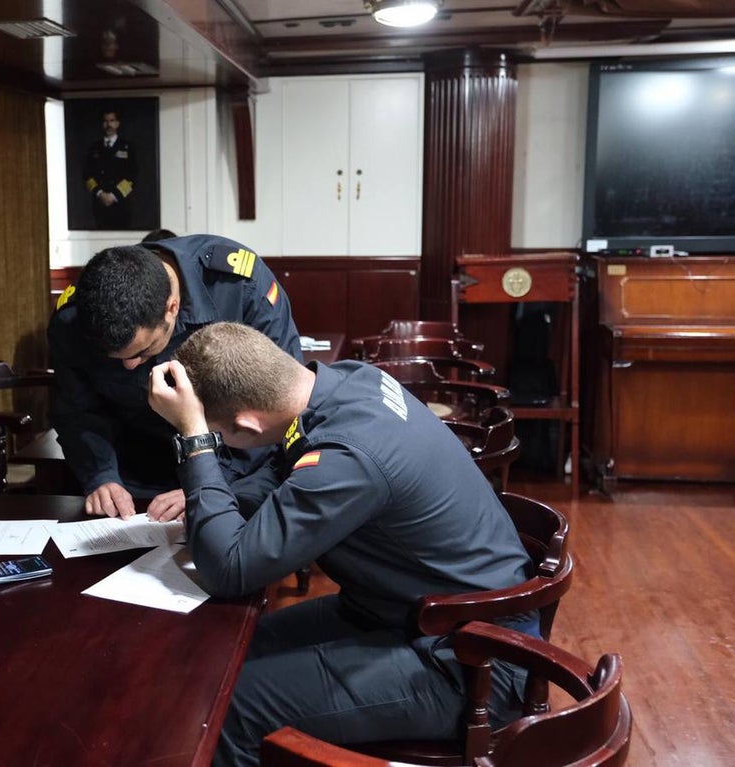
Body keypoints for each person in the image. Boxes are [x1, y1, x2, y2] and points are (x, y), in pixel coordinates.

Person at [147, 322, 538, 767]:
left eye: (220, 436)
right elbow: (285, 465)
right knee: (221, 655)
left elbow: (229, 571)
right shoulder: (348, 381)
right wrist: (215, 494)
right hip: (404, 610)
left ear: (247, 424)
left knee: (227, 707)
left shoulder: (350, 458)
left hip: (469, 659)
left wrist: (197, 448)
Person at [48, 235, 302, 522]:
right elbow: (78, 412)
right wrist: (101, 476)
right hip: (134, 472)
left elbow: (278, 405)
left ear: (172, 307)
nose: (130, 366)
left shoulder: (240, 287)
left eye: (143, 351)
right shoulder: (71, 319)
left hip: (241, 463)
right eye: (115, 360)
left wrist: (208, 481)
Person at [82, 109, 137, 229]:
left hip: (121, 202)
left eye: (112, 121)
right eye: (106, 121)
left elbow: (133, 176)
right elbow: (87, 175)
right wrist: (100, 193)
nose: (109, 125)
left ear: (117, 123)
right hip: (99, 203)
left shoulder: (127, 146)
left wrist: (113, 196)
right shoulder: (94, 147)